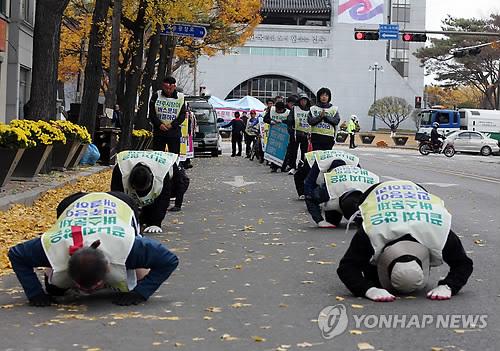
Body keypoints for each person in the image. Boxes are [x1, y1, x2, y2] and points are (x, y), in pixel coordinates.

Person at [8, 191, 179, 306]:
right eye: (82, 288)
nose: (89, 293)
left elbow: (169, 260)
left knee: (139, 277)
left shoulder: (131, 247)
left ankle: (136, 278)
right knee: (53, 287)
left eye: (96, 286)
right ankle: (53, 272)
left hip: (119, 203)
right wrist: (35, 294)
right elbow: (16, 254)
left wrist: (141, 293)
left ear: (108, 266)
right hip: (71, 203)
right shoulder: (52, 246)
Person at [337, 180, 473, 302]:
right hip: (375, 193)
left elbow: (464, 264)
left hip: (416, 192)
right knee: (372, 277)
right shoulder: (371, 233)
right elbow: (347, 267)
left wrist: (448, 286)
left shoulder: (438, 233)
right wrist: (369, 289)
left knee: (406, 277)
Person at [111, 151, 189, 232]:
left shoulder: (162, 173)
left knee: (172, 190)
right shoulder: (121, 169)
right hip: (131, 164)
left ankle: (148, 217)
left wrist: (156, 223)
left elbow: (164, 198)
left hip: (170, 174)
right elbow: (116, 196)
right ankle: (142, 217)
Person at [303, 150, 361, 228]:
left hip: (351, 197)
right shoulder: (321, 162)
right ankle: (356, 215)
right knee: (332, 219)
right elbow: (309, 185)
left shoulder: (355, 164)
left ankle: (356, 215)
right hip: (349, 197)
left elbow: (310, 198)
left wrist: (319, 221)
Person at [149, 76, 186, 155]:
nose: (168, 90)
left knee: (174, 156)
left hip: (173, 132)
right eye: (166, 88)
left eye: (170, 88)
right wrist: (159, 124)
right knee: (158, 155)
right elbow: (152, 114)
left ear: (174, 87)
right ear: (163, 86)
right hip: (159, 132)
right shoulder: (156, 96)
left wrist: (172, 125)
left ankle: (175, 167)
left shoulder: (180, 97)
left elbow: (182, 115)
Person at [263, 101, 290, 172]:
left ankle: (283, 167)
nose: (278, 111)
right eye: (277, 110)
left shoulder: (288, 112)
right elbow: (265, 119)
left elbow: (291, 121)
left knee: (284, 151)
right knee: (274, 150)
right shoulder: (272, 110)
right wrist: (271, 122)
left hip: (284, 135)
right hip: (274, 134)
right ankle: (274, 166)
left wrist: (282, 121)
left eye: (280, 110)